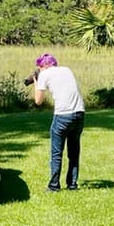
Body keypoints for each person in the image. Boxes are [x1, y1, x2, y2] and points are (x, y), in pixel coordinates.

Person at [32, 53, 85, 192]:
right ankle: (72, 184)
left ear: (42, 66)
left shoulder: (43, 74)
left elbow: (38, 101)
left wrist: (36, 81)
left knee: (56, 153)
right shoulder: (66, 69)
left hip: (62, 115)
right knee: (73, 152)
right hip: (79, 113)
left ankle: (54, 185)